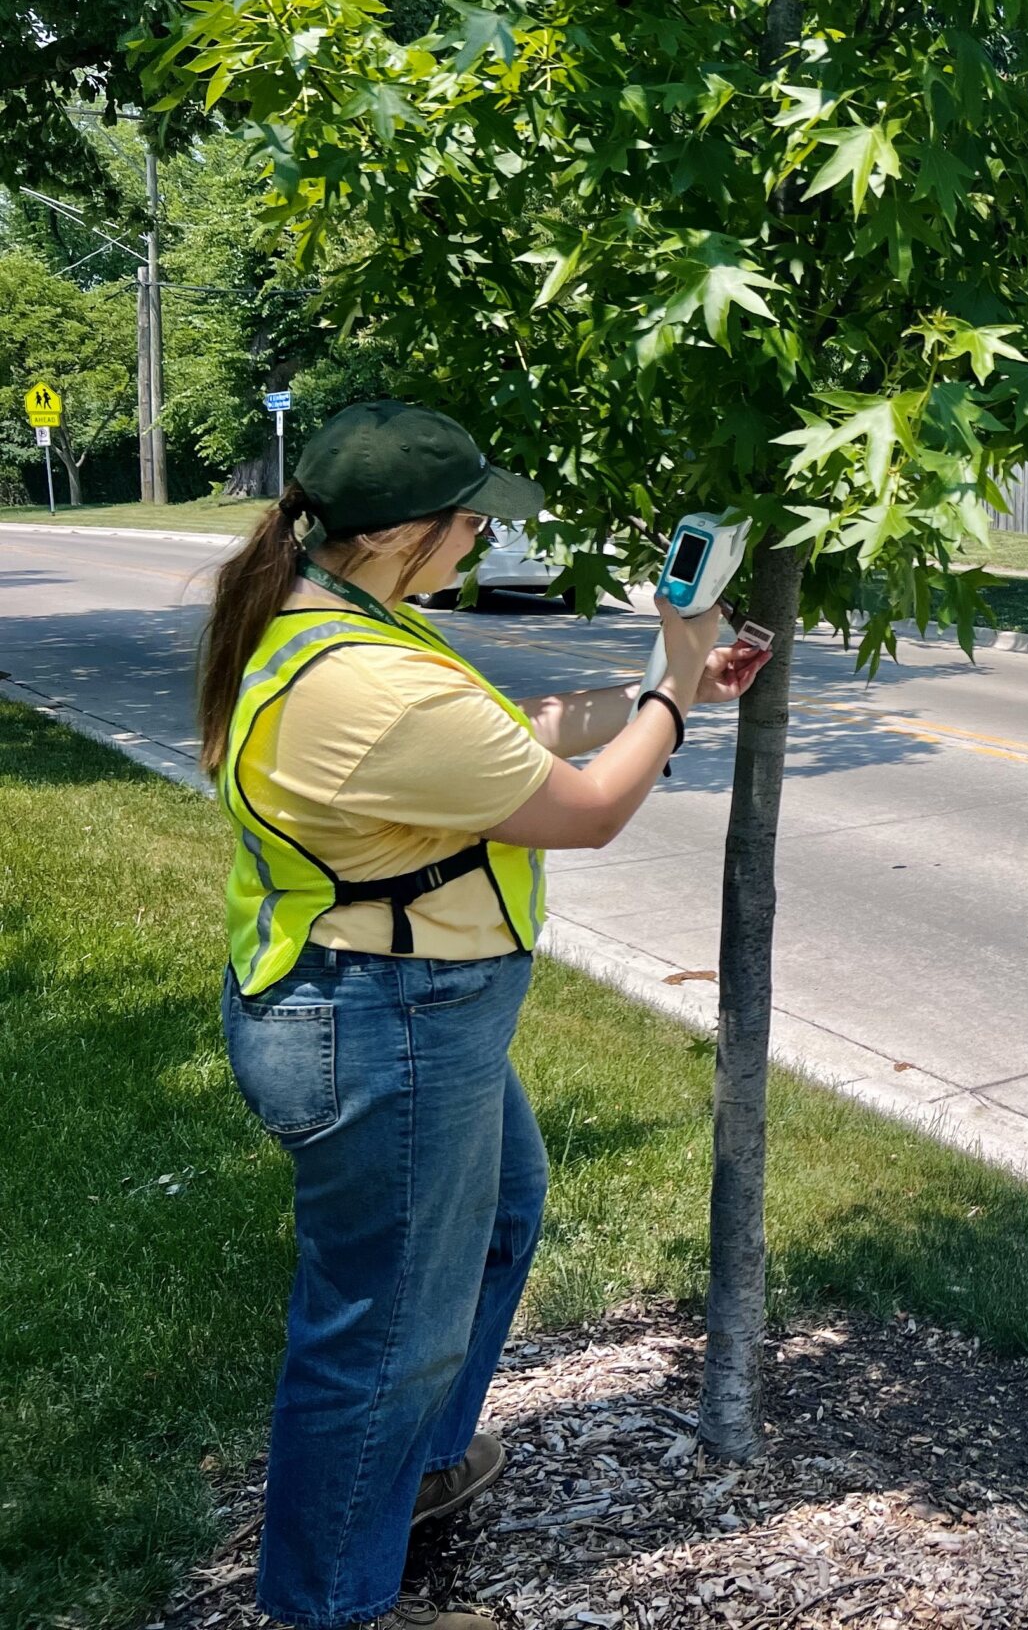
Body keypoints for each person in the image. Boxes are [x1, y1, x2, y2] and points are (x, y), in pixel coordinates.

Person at [195, 400, 770, 1630]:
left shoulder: (343, 622)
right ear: (408, 535)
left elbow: (512, 749)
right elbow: (581, 811)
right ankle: (330, 1607)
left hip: (396, 1008)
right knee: (377, 1336)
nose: (479, 541)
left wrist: (655, 692)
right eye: (470, 523)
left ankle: (411, 1470)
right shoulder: (371, 683)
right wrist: (674, 684)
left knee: (503, 1214)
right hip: (385, 1023)